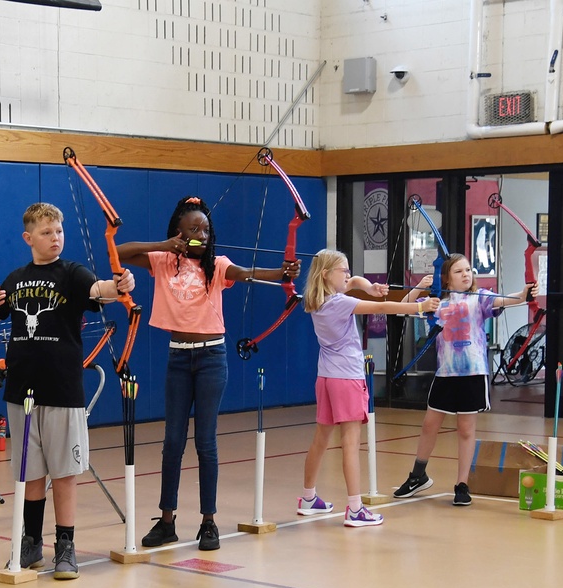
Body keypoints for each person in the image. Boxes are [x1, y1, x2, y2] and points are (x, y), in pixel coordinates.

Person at [117, 195, 299, 551]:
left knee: (205, 441)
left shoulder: (218, 265)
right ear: (179, 233)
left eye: (205, 228)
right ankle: (167, 521)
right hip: (178, 359)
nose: (202, 233)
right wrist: (164, 246)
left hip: (211, 358)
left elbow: (247, 274)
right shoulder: (163, 261)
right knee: (172, 442)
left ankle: (208, 523)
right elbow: (119, 251)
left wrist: (282, 273)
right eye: (193, 229)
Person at [0, 202, 134, 579]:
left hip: (62, 387)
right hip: (22, 389)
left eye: (59, 232)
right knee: (31, 471)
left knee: (64, 472)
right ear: (28, 238)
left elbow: (100, 290)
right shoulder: (16, 278)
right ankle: (31, 542)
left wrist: (120, 285)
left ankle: (65, 545)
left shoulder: (72, 273)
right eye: (46, 233)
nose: (55, 238)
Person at [300, 250, 439, 526]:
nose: (349, 275)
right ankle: (355, 509)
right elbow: (382, 308)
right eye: (344, 270)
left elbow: (355, 283)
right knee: (350, 443)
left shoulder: (317, 298)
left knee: (321, 439)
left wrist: (369, 286)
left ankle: (307, 498)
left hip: (326, 377)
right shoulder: (338, 302)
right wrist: (419, 308)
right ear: (327, 274)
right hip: (347, 378)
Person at [394, 254, 537, 506]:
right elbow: (402, 308)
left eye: (468, 270)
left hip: (472, 374)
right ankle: (418, 475)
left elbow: (510, 299)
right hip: (445, 374)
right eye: (458, 271)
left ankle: (462, 484)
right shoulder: (436, 302)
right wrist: (418, 288)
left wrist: (525, 293)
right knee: (429, 425)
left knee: (466, 429)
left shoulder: (479, 298)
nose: (466, 274)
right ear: (447, 278)